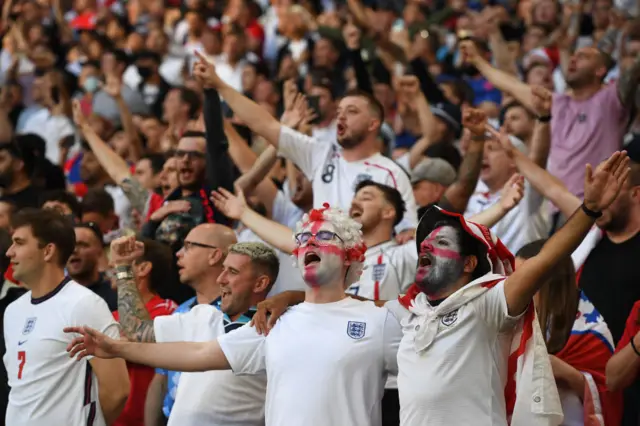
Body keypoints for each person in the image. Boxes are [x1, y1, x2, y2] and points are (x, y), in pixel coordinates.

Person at [253, 151, 630, 425]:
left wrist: (590, 210)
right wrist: (292, 297)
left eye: (443, 243)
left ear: (469, 264)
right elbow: (342, 304)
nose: (427, 247)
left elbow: (546, 260)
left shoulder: (488, 304)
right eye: (425, 243)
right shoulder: (406, 310)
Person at [66, 205, 403, 426]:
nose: (310, 242)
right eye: (304, 238)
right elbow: (198, 352)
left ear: (350, 257)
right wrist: (116, 348)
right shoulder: (274, 323)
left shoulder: (379, 321)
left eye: (326, 236)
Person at [192, 50, 419, 236]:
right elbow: (265, 125)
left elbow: (407, 232)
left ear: (373, 124)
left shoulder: (391, 173)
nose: (341, 116)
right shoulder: (321, 153)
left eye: (352, 112)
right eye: (339, 111)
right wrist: (220, 85)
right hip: (320, 266)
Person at [103, 237, 274, 426]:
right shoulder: (203, 314)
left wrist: (114, 348)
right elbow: (136, 330)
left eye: (232, 272)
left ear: (260, 284)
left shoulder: (275, 331)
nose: (220, 279)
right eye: (223, 269)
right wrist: (123, 267)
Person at [3, 208, 130, 426]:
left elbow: (118, 390)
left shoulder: (84, 305)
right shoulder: (12, 311)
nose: (9, 252)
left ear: (48, 251)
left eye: (19, 243)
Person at [516, 240, 621, 426]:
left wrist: (570, 375)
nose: (517, 289)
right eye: (514, 279)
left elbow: (611, 400)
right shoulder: (511, 322)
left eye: (526, 280)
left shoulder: (591, 334)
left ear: (552, 284)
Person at [110, 238, 178, 426]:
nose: (111, 266)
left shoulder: (168, 311)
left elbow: (136, 338)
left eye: (121, 262)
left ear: (143, 268)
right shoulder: (109, 315)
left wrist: (111, 345)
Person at [68, 222, 116, 311]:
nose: (74, 250)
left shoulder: (115, 291)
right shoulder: (54, 295)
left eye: (82, 245)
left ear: (99, 250)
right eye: (69, 246)